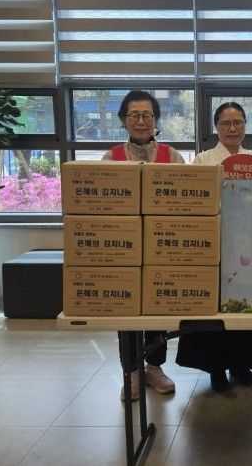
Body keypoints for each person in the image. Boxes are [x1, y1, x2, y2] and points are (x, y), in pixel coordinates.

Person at [175, 102, 252, 392]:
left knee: (245, 304)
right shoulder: (203, 160)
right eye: (226, 123)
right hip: (213, 241)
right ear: (216, 127)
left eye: (238, 122)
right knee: (213, 306)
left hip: (247, 242)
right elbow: (192, 199)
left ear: (245, 126)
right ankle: (215, 368)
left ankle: (242, 364)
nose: (232, 128)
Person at [103, 89, 183, 401]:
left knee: (158, 305)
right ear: (123, 120)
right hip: (123, 248)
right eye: (134, 115)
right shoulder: (111, 158)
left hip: (163, 246)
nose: (140, 121)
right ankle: (132, 371)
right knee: (127, 309)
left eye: (147, 115)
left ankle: (154, 367)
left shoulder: (172, 156)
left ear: (155, 119)